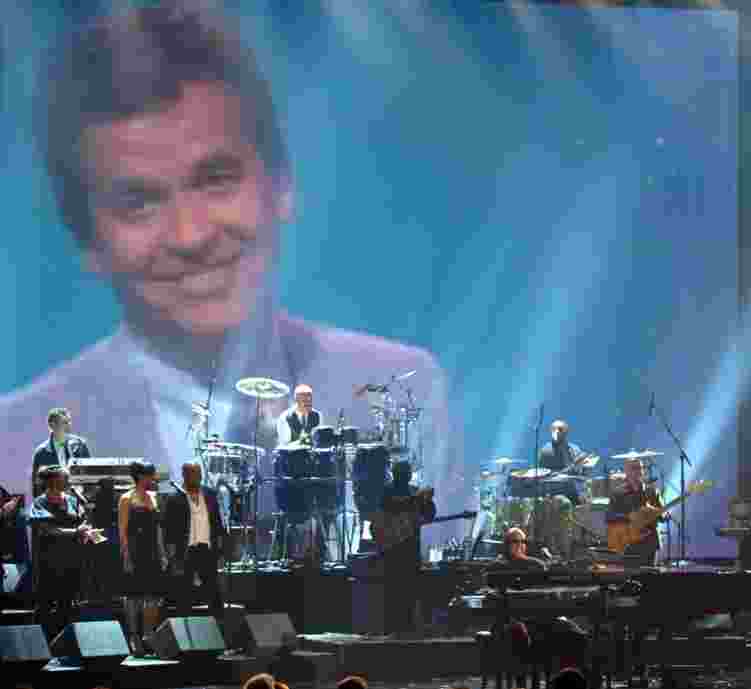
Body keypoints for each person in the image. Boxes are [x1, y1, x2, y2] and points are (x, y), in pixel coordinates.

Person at [0, 3, 459, 533]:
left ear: (282, 184)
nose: (190, 235)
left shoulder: (401, 386)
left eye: (216, 178)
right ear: (87, 240)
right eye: (139, 203)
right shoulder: (12, 444)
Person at [29, 466, 94, 637]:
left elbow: (83, 519)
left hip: (71, 558)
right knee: (47, 603)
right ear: (53, 481)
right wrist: (75, 532)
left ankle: (65, 642)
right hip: (49, 560)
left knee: (68, 601)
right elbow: (47, 530)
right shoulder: (40, 502)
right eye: (65, 478)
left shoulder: (73, 500)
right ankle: (44, 642)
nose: (68, 481)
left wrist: (85, 529)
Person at [373, 460, 436, 633]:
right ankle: (392, 628)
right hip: (392, 549)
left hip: (410, 547)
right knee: (393, 592)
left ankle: (408, 628)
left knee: (410, 591)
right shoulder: (387, 491)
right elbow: (393, 506)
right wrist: (417, 498)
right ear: (395, 473)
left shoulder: (415, 492)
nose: (405, 475)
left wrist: (428, 501)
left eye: (407, 472)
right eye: (401, 472)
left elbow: (429, 515)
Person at [164, 462, 226, 619]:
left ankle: (220, 627)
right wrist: (173, 558)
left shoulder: (210, 494)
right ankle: (185, 630)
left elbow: (217, 524)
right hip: (185, 550)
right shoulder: (175, 498)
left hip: (207, 549)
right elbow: (169, 531)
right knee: (184, 593)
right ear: (184, 475)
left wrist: (220, 552)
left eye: (199, 473)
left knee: (213, 592)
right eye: (193, 474)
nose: (198, 477)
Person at [118, 461, 166, 656]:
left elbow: (158, 529)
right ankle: (134, 636)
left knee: (153, 596)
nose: (153, 478)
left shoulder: (154, 498)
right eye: (150, 475)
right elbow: (122, 531)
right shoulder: (126, 499)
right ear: (140, 476)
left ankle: (149, 633)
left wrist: (162, 553)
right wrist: (126, 557)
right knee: (133, 597)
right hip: (135, 552)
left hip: (152, 552)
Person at [606, 458, 663, 565]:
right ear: (626, 471)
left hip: (649, 541)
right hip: (628, 541)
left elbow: (664, 517)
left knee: (650, 575)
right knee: (629, 576)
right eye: (634, 468)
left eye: (640, 468)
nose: (638, 471)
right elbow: (609, 516)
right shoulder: (618, 493)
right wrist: (628, 516)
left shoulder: (652, 491)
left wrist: (654, 511)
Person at [31, 408, 90, 497]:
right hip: (53, 503)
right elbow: (37, 485)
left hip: (78, 501)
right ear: (52, 425)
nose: (69, 426)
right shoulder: (41, 452)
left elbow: (89, 475)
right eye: (64, 422)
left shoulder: (80, 445)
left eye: (69, 421)